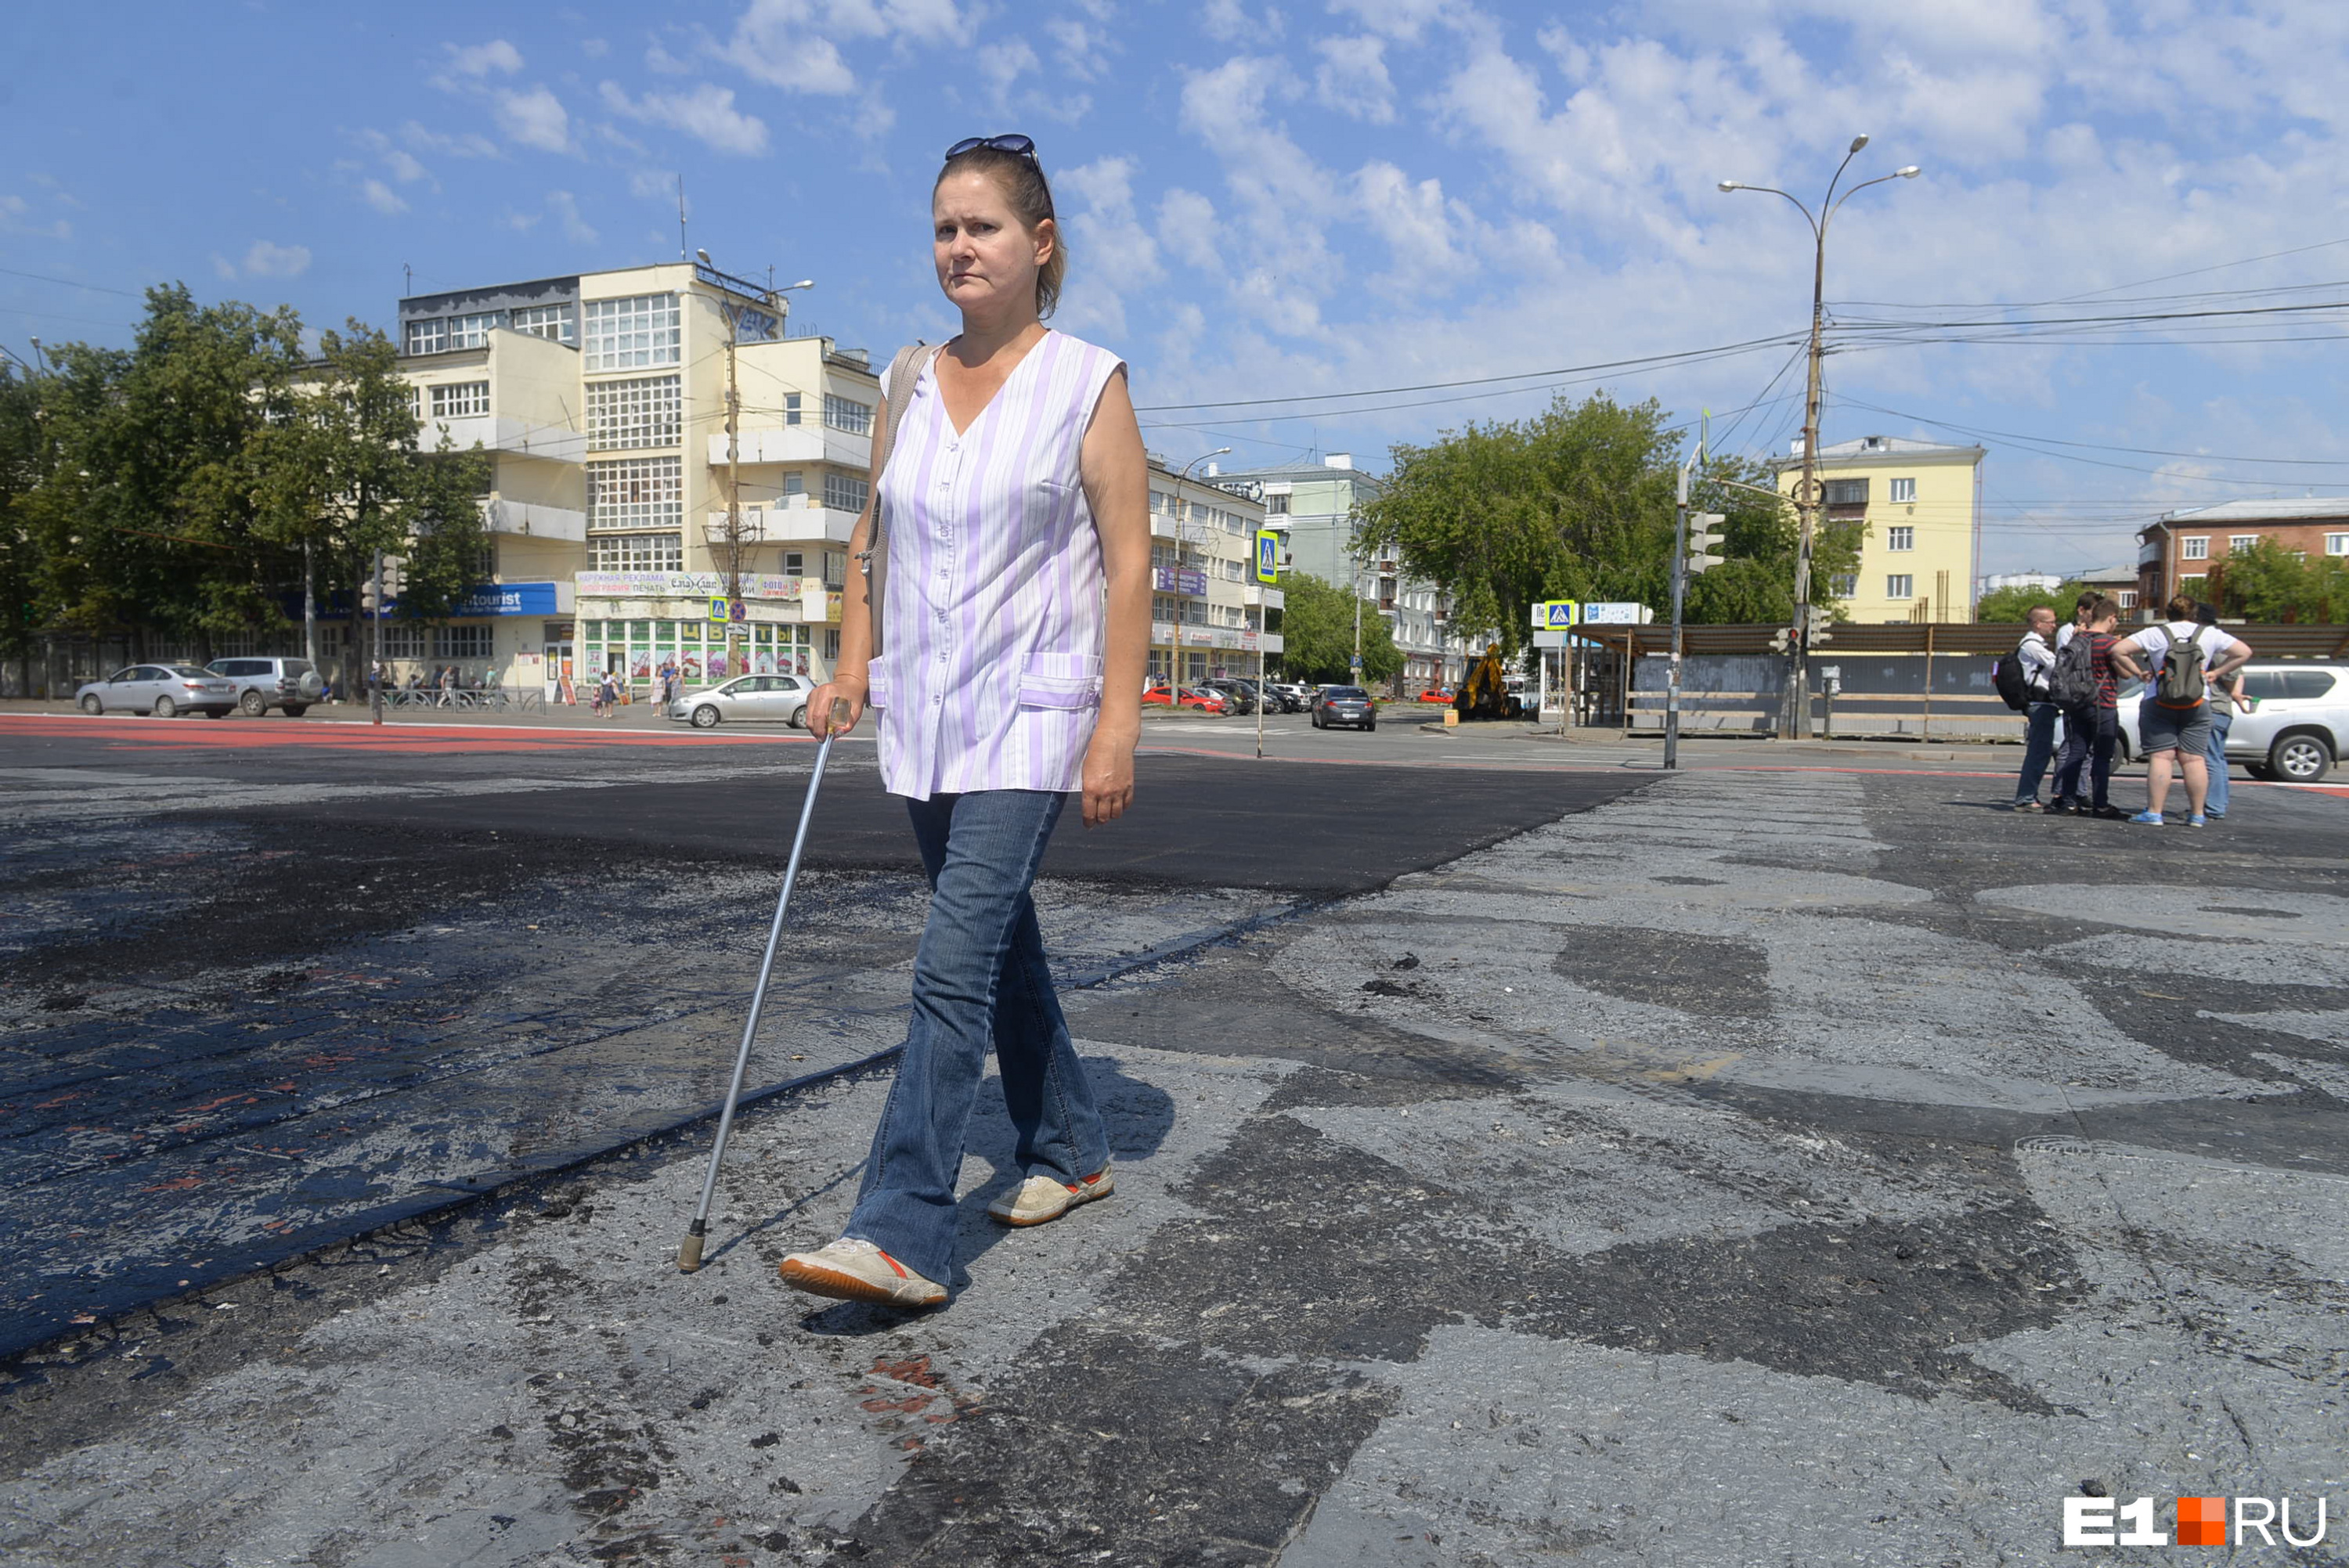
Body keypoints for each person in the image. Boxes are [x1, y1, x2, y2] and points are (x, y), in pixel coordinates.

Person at [778, 132, 1150, 1310]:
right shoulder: (904, 382)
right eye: (944, 227)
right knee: (999, 954)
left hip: (1035, 719)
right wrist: (851, 670)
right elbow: (869, 543)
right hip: (926, 721)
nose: (958, 247)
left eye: (982, 225)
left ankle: (902, 1227)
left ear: (1040, 244)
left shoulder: (1086, 380)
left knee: (949, 964)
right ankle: (1076, 1145)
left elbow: (1130, 566)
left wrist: (1117, 729)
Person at [2107, 592, 2254, 826]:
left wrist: (2139, 673)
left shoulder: (2155, 634)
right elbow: (2244, 652)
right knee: (2194, 760)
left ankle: (2154, 812)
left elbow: (2118, 650)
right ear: (2194, 614)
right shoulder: (2209, 634)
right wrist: (2216, 672)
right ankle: (2197, 815)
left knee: (2161, 756)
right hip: (2198, 702)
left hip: (2159, 700)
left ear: (2168, 613)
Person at [2048, 597, 2127, 819]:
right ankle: (2101, 804)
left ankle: (2069, 801)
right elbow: (2125, 672)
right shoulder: (2109, 643)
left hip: (2076, 703)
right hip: (2103, 704)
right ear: (2111, 618)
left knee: (2076, 751)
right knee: (2102, 756)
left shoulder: (2075, 640)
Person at [2198, 602, 2250, 819]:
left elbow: (2232, 675)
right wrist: (2236, 695)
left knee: (2210, 758)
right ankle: (2217, 804)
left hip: (2214, 706)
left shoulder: (2213, 640)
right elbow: (2239, 674)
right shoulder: (2220, 639)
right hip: (2221, 708)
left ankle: (2213, 806)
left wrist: (2231, 690)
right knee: (2217, 757)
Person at [2009, 605, 2059, 811]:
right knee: (2039, 752)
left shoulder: (2035, 645)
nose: (2055, 626)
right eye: (2051, 622)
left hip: (2042, 704)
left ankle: (2029, 796)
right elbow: (2058, 666)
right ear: (2038, 624)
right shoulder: (2032, 646)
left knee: (2042, 751)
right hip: (2040, 704)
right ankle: (2026, 798)